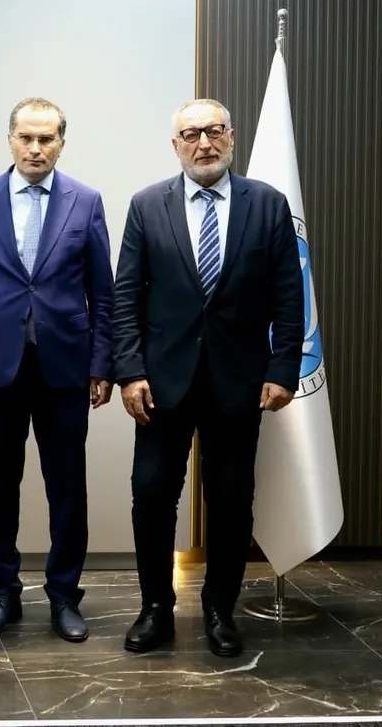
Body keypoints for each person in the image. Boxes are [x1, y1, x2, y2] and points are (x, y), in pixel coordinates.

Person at [112, 98, 304, 658]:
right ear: (175, 145)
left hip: (239, 382)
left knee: (230, 500)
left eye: (214, 131)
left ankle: (221, 609)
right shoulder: (147, 205)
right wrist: (130, 371)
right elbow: (127, 295)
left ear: (232, 137)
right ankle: (155, 608)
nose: (204, 143)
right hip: (161, 385)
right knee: (151, 496)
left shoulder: (267, 204)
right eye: (192, 134)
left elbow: (289, 296)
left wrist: (283, 368)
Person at [0, 97, 114, 642]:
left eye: (46, 139)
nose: (35, 148)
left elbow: (103, 293)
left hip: (66, 367)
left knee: (67, 489)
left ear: (61, 143)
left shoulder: (86, 201)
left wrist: (102, 363)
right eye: (26, 137)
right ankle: (3, 591)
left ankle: (64, 594)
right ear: (10, 140)